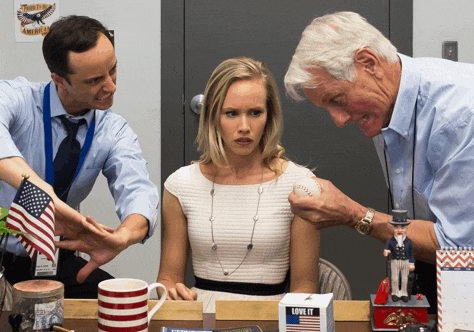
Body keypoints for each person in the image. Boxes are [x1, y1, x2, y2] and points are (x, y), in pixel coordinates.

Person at [284, 10, 474, 313]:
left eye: (336, 99)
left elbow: (460, 249)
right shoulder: (383, 102)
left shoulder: (460, 114)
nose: (339, 120)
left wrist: (354, 214)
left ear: (369, 63)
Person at [0, 15, 159, 299]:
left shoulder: (113, 130)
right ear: (59, 79)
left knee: (124, 303)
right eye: (95, 80)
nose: (111, 86)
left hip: (51, 260)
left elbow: (138, 190)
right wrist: (39, 189)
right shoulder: (16, 97)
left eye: (113, 70)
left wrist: (122, 237)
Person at [157, 57, 320, 313]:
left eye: (255, 113)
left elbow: (305, 288)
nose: (244, 127)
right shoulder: (181, 185)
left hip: (271, 320)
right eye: (231, 113)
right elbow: (167, 280)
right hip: (201, 319)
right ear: (213, 116)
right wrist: (169, 292)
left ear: (270, 116)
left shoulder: (299, 185)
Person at [384, 210, 415, 303]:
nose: (399, 230)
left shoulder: (409, 242)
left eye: (402, 228)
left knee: (405, 278)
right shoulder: (390, 241)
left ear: (406, 229)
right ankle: (395, 293)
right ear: (393, 228)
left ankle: (404, 293)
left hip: (405, 262)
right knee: (394, 278)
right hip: (394, 261)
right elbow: (387, 248)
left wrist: (411, 263)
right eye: (396, 228)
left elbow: (411, 253)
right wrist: (386, 251)